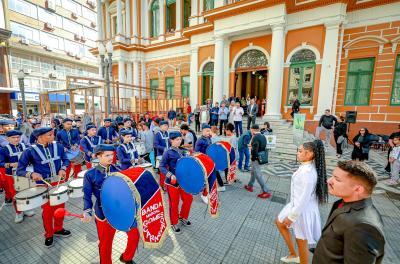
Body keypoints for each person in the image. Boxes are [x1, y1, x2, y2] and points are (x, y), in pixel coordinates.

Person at [312, 160, 385, 263]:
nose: (329, 181)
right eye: (332, 176)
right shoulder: (341, 202)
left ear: (358, 189)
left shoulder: (363, 226)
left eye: (337, 179)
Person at [82, 144, 139, 264]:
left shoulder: (117, 169)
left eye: (112, 155)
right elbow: (87, 195)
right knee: (105, 244)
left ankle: (127, 257)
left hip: (120, 210)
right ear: (98, 156)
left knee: (134, 234)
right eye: (107, 155)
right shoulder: (90, 174)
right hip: (103, 214)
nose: (111, 157)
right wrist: (87, 211)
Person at [17, 127, 71, 247]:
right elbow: (19, 170)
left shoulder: (58, 146)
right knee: (47, 211)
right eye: (50, 135)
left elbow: (66, 159)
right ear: (39, 137)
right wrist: (31, 174)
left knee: (60, 207)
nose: (53, 137)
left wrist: (63, 168)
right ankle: (49, 234)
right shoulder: (30, 151)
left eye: (53, 134)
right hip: (43, 184)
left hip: (58, 183)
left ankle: (58, 229)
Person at [276, 140, 328, 264]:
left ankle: (300, 259)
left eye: (300, 151)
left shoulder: (307, 173)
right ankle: (294, 254)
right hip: (297, 205)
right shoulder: (307, 168)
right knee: (279, 222)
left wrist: (292, 217)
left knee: (302, 242)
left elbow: (304, 199)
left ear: (310, 154)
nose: (297, 153)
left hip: (302, 211)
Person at [159, 131, 193, 233]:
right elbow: (161, 166)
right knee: (174, 204)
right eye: (177, 139)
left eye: (180, 139)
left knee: (188, 199)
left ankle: (182, 216)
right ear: (171, 140)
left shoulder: (183, 150)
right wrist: (170, 175)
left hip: (183, 181)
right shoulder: (167, 152)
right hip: (172, 182)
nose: (179, 141)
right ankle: (173, 223)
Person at [0, 130, 35, 222]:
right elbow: (1, 163)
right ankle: (19, 212)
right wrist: (11, 164)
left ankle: (26, 208)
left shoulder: (25, 146)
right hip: (11, 175)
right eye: (13, 137)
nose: (16, 139)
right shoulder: (4, 149)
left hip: (24, 173)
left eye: (18, 137)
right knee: (15, 194)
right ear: (7, 138)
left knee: (26, 191)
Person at [244, 124, 271, 199]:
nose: (250, 131)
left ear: (253, 130)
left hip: (256, 158)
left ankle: (266, 191)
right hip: (261, 157)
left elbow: (255, 149)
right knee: (253, 172)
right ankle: (250, 186)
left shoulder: (255, 137)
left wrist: (253, 158)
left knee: (258, 174)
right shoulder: (262, 136)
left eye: (251, 130)